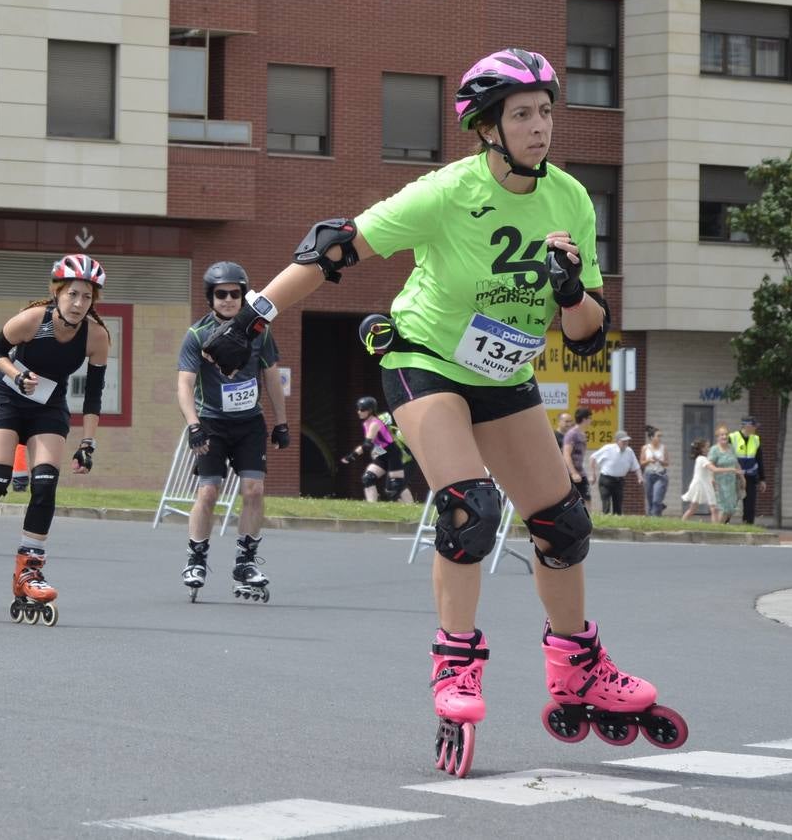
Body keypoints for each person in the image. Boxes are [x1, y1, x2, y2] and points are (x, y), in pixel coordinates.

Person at [197, 48, 685, 776]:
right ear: (487, 128)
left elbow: (586, 334)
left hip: (503, 372)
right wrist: (254, 317)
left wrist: (569, 290)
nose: (539, 127)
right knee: (470, 510)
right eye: (521, 115)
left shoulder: (572, 201)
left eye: (545, 112)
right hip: (422, 358)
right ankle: (456, 666)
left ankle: (577, 666)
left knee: (562, 523)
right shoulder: (446, 193)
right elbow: (334, 248)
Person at [0, 254, 111, 624]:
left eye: (87, 296)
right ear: (57, 292)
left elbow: (94, 395)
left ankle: (29, 570)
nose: (79, 303)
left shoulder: (97, 336)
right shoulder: (34, 319)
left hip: (48, 405)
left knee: (45, 484)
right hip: (7, 396)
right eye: (72, 294)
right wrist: (16, 375)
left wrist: (88, 442)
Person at [176, 261, 289, 602]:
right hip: (212, 423)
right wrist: (193, 425)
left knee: (254, 490)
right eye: (221, 294)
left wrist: (282, 421)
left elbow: (272, 376)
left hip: (249, 423)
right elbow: (184, 385)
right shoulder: (197, 335)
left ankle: (246, 563)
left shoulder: (259, 331)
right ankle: (196, 558)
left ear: (243, 296)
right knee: (209, 492)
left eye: (235, 294)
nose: (228, 300)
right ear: (210, 297)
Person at [340, 396, 407, 502]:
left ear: (370, 410)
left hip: (392, 453)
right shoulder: (366, 423)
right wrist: (376, 452)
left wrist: (351, 456)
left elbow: (367, 445)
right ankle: (372, 506)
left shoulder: (375, 423)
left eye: (362, 409)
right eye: (358, 409)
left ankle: (410, 505)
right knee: (368, 478)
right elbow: (378, 443)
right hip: (383, 452)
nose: (359, 412)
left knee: (396, 486)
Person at [588, 430, 643, 515]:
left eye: (627, 441)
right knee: (606, 503)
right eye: (623, 441)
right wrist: (592, 474)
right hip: (606, 479)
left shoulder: (629, 451)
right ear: (617, 441)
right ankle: (605, 518)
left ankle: (616, 519)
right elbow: (592, 458)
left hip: (619, 481)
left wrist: (640, 477)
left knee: (618, 505)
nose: (625, 443)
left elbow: (636, 466)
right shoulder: (608, 448)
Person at [728, 416, 766, 524]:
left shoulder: (756, 439)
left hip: (750, 476)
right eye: (754, 426)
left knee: (750, 504)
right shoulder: (732, 437)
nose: (755, 428)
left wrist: (762, 479)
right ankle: (724, 524)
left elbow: (759, 460)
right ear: (746, 425)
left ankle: (748, 525)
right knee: (730, 502)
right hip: (734, 476)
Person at [378, 409, 419, 502]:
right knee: (389, 490)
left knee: (399, 486)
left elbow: (414, 448)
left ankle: (410, 505)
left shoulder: (398, 433)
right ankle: (406, 505)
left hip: (407, 463)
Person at [708, 424, 744, 524]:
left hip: (731, 483)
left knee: (730, 508)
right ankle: (718, 528)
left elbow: (736, 464)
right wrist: (712, 478)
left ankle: (720, 527)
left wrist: (742, 478)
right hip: (720, 482)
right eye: (722, 435)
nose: (724, 436)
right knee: (723, 507)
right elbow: (710, 466)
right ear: (717, 437)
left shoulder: (731, 448)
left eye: (726, 434)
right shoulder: (714, 449)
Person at [561, 407, 592, 509]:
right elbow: (566, 454)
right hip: (571, 474)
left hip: (580, 472)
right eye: (589, 418)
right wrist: (573, 473)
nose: (590, 421)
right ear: (584, 419)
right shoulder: (572, 434)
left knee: (586, 497)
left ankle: (588, 517)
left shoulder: (582, 434)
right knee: (573, 500)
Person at [680, 439, 716, 521]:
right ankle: (682, 522)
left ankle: (682, 521)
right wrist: (731, 469)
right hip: (700, 486)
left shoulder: (703, 458)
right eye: (707, 447)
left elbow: (707, 473)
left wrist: (712, 480)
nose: (709, 449)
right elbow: (714, 469)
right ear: (702, 449)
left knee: (694, 509)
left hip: (704, 485)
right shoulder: (702, 459)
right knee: (712, 508)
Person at [641, 426, 669, 517]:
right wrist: (649, 460)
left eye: (660, 436)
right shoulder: (645, 448)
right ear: (651, 437)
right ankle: (654, 516)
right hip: (649, 475)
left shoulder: (663, 448)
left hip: (660, 476)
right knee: (650, 499)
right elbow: (642, 463)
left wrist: (659, 460)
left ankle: (654, 517)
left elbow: (667, 463)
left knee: (656, 499)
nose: (660, 438)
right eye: (658, 436)